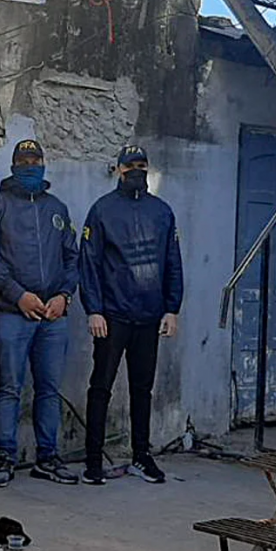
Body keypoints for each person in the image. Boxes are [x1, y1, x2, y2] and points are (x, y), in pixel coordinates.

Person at [0, 139, 79, 488]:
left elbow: (72, 258)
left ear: (44, 164)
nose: (31, 166)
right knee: (9, 387)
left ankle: (47, 457)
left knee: (49, 389)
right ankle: (4, 456)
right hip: (12, 313)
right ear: (14, 166)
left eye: (36, 160)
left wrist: (64, 295)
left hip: (53, 316)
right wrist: (17, 295)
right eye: (24, 161)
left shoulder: (57, 208)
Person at [78, 144, 183, 486]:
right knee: (101, 387)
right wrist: (94, 309)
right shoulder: (102, 210)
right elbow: (89, 263)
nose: (136, 171)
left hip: (149, 316)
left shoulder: (162, 212)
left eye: (141, 165)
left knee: (142, 390)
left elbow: (172, 262)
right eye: (129, 166)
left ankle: (141, 455)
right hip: (112, 316)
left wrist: (172, 308)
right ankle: (93, 461)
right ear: (118, 170)